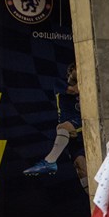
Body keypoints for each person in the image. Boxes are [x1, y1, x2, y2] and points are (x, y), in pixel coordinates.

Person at [23, 63, 88, 192]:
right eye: (79, 69)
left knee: (62, 127)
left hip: (79, 123)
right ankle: (94, 203)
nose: (82, 73)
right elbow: (74, 90)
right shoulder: (60, 83)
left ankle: (50, 161)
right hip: (71, 135)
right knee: (80, 168)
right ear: (71, 70)